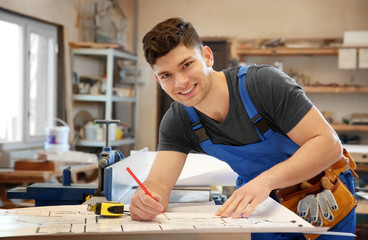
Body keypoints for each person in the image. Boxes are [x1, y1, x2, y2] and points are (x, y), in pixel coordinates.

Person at [129, 17, 358, 240]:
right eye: (166, 75)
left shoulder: (262, 84)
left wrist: (265, 181)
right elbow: (159, 183)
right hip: (262, 207)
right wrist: (147, 199)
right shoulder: (178, 120)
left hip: (322, 197)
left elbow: (329, 145)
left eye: (187, 65)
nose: (180, 82)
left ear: (207, 57)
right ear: (158, 81)